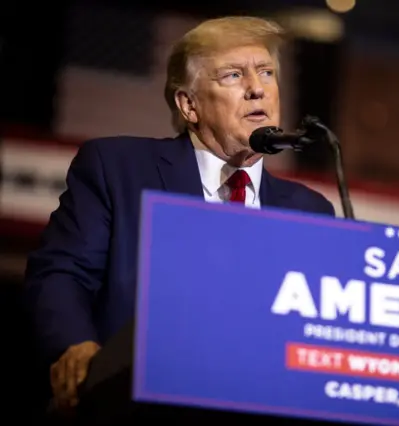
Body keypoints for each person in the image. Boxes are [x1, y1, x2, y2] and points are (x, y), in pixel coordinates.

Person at [24, 16, 335, 412]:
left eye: (267, 73)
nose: (257, 89)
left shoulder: (311, 212)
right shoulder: (117, 168)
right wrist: (77, 348)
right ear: (189, 105)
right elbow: (60, 275)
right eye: (234, 75)